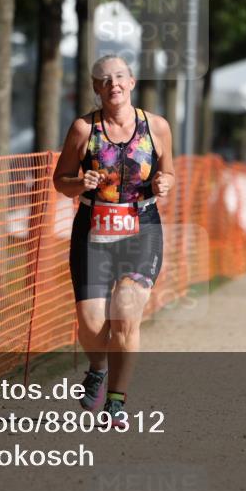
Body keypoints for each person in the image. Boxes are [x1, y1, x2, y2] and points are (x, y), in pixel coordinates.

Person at [52, 55, 174, 426]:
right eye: (105, 80)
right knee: (90, 324)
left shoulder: (156, 127)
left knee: (124, 314)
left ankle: (117, 401)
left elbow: (168, 170)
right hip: (93, 228)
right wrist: (79, 183)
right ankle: (98, 367)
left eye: (119, 77)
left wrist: (165, 183)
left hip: (142, 228)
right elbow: (60, 180)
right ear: (96, 88)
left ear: (132, 82)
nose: (113, 84)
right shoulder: (83, 130)